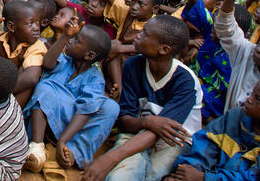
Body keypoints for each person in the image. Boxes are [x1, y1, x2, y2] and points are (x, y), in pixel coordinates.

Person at [82, 15, 203, 181]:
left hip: (172, 141)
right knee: (119, 177)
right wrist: (147, 122)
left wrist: (109, 158)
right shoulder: (134, 65)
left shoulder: (186, 82)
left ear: (164, 49)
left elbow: (163, 131)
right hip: (137, 130)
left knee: (152, 176)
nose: (138, 35)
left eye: (145, 34)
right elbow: (125, 121)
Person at [23, 20, 119, 172]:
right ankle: (37, 146)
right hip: (45, 124)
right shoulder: (65, 60)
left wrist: (63, 140)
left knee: (111, 108)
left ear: (89, 55)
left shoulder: (95, 78)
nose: (71, 41)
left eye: (76, 40)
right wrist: (65, 36)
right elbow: (48, 63)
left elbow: (85, 111)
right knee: (45, 88)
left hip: (70, 129)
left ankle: (72, 153)